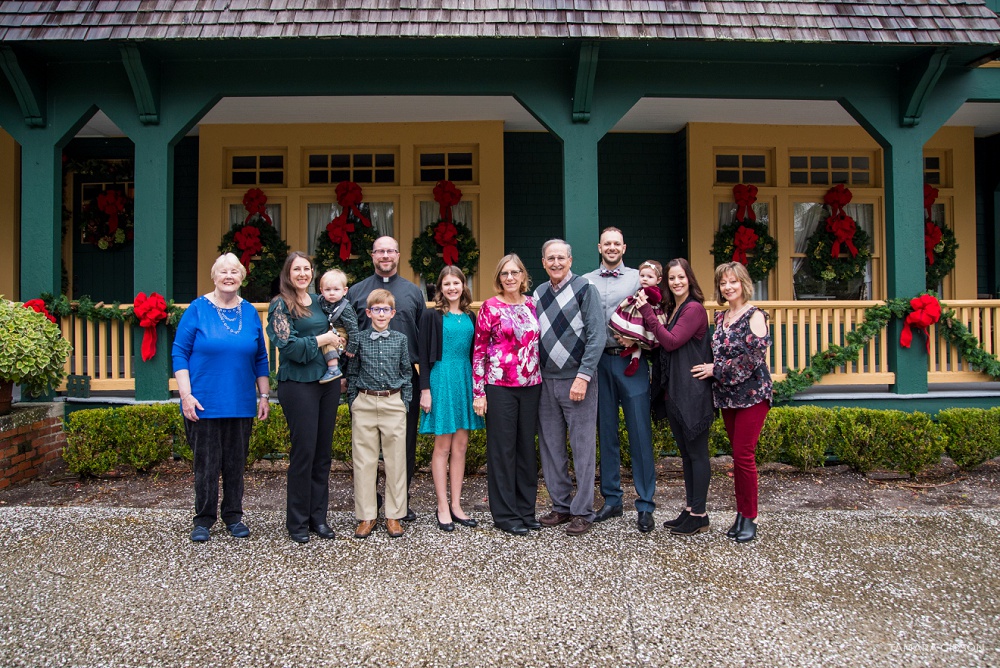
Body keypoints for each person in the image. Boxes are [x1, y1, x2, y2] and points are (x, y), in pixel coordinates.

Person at [173, 253, 271, 543]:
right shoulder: (197, 309)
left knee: (235, 464)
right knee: (206, 465)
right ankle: (203, 519)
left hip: (240, 402)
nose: (229, 276)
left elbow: (261, 358)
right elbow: (179, 352)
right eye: (223, 272)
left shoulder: (250, 311)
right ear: (214, 277)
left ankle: (233, 516)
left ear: (241, 278)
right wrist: (186, 395)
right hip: (203, 402)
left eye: (235, 272)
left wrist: (263, 395)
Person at [267, 251, 345, 543]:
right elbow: (287, 346)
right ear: (288, 273)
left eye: (307, 268)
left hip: (327, 384)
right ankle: (297, 522)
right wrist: (322, 339)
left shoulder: (319, 302)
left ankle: (318, 518)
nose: (302, 273)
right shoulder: (280, 304)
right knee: (304, 453)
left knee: (323, 454)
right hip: (298, 384)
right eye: (297, 269)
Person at [693, 261, 773, 543]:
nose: (728, 287)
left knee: (744, 457)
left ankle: (750, 516)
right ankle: (740, 514)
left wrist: (715, 369)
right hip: (727, 396)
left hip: (752, 396)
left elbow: (752, 360)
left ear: (743, 283)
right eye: (723, 283)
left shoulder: (755, 315)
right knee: (737, 459)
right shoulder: (720, 318)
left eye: (733, 282)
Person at [584, 228, 658, 533]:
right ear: (599, 246)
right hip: (600, 362)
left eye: (617, 243)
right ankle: (612, 499)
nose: (612, 248)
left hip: (632, 361)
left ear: (624, 247)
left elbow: (655, 309)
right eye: (607, 243)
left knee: (640, 432)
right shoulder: (585, 280)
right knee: (607, 432)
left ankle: (645, 504)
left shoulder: (636, 278)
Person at [347, 235, 425, 521]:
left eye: (390, 250)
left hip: (403, 382)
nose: (385, 255)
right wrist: (348, 380)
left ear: (398, 254)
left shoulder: (413, 292)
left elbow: (422, 337)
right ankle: (370, 506)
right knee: (367, 452)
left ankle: (399, 505)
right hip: (365, 384)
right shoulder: (356, 292)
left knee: (402, 447)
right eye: (380, 251)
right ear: (372, 256)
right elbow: (348, 336)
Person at [637, 258, 715, 535]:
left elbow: (670, 342)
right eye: (671, 278)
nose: (676, 282)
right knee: (686, 454)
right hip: (675, 391)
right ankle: (691, 508)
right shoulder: (675, 309)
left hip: (692, 392)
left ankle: (700, 513)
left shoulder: (693, 309)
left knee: (697, 453)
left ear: (690, 279)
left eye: (681, 277)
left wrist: (645, 310)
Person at [535, 239, 605, 536]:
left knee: (582, 448)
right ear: (543, 262)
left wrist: (584, 375)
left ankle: (582, 511)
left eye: (561, 258)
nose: (556, 263)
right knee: (551, 447)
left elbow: (597, 336)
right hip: (545, 381)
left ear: (570, 260)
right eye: (550, 258)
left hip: (578, 380)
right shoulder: (537, 294)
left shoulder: (585, 289)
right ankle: (561, 506)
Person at [472, 254, 542, 536]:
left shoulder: (532, 304)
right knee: (503, 452)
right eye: (505, 274)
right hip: (499, 387)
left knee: (526, 449)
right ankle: (505, 515)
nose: (510, 278)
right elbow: (478, 352)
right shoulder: (490, 307)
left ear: (523, 276)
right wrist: (479, 392)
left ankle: (526, 511)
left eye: (515, 273)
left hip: (532, 385)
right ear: (499, 278)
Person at [418, 266, 484, 532]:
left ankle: (456, 505)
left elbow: (476, 353)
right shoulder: (432, 315)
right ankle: (442, 506)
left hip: (465, 378)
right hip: (441, 377)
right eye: (446, 284)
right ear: (440, 288)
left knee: (461, 446)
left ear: (463, 285)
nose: (452, 288)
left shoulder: (471, 315)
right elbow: (423, 354)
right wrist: (425, 390)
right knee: (442, 446)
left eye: (456, 283)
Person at [345, 289, 413, 539]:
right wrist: (353, 401)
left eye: (385, 309)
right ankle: (367, 515)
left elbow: (406, 371)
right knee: (364, 462)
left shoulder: (400, 339)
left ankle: (394, 515)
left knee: (396, 461)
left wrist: (404, 401)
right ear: (368, 312)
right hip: (364, 402)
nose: (381, 314)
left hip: (392, 402)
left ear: (392, 313)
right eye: (376, 309)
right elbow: (352, 372)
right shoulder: (360, 339)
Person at [609, 260, 667, 376]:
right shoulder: (640, 289)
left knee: (639, 337)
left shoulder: (652, 290)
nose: (645, 279)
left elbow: (657, 297)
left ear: (658, 280)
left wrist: (648, 292)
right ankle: (634, 359)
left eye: (650, 277)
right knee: (632, 335)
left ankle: (635, 358)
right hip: (637, 316)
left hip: (646, 320)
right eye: (642, 276)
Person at [316, 269, 359, 383]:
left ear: (344, 291)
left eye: (336, 289)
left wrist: (351, 347)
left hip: (340, 331)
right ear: (321, 290)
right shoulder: (320, 301)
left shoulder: (345, 308)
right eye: (327, 289)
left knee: (327, 342)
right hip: (327, 328)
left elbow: (353, 328)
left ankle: (333, 368)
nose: (331, 293)